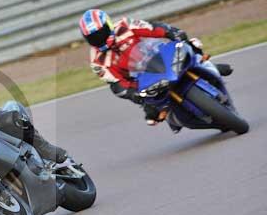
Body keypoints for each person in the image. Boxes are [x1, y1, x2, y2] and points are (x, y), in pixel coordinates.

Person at [79, 9, 233, 132]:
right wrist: (134, 95)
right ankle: (184, 118)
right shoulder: (96, 60)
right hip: (144, 81)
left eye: (100, 33)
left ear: (109, 25)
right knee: (154, 116)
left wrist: (172, 32)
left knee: (193, 46)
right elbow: (116, 83)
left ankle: (210, 67)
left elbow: (153, 28)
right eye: (93, 38)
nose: (98, 39)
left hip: (161, 57)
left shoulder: (125, 25)